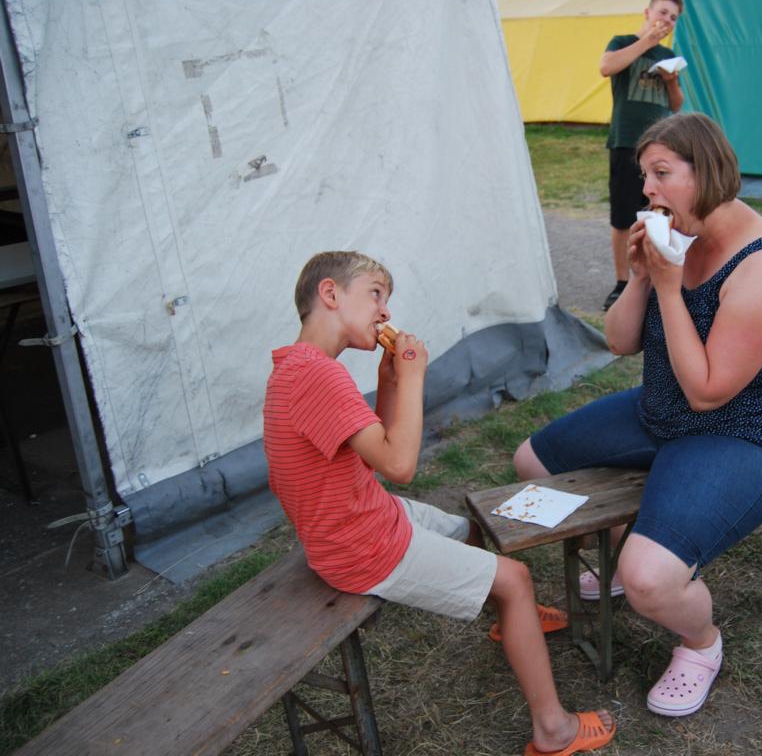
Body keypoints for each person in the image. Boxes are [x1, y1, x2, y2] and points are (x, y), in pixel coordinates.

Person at [513, 113, 762, 718]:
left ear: (708, 174)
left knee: (652, 579)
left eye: (661, 173)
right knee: (532, 462)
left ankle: (701, 643)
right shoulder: (675, 236)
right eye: (644, 174)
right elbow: (620, 342)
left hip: (745, 430)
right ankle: (627, 559)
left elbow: (708, 392)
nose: (646, 189)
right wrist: (642, 278)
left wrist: (672, 289)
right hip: (661, 410)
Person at [263, 251, 615, 756]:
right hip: (360, 547)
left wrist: (390, 381)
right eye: (375, 294)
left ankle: (511, 622)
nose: (385, 312)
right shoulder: (321, 376)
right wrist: (414, 378)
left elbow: (375, 452)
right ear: (330, 293)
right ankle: (553, 730)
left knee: (467, 529)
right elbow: (400, 464)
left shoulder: (297, 368)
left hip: (360, 516)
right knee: (515, 580)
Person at [599, 0, 685, 311]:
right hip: (626, 142)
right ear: (647, 13)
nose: (667, 20)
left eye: (673, 18)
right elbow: (606, 67)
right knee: (623, 217)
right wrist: (646, 42)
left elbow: (675, 105)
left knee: (658, 215)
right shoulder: (622, 42)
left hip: (660, 148)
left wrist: (671, 81)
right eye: (663, 13)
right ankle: (622, 283)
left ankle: (651, 280)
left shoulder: (668, 55)